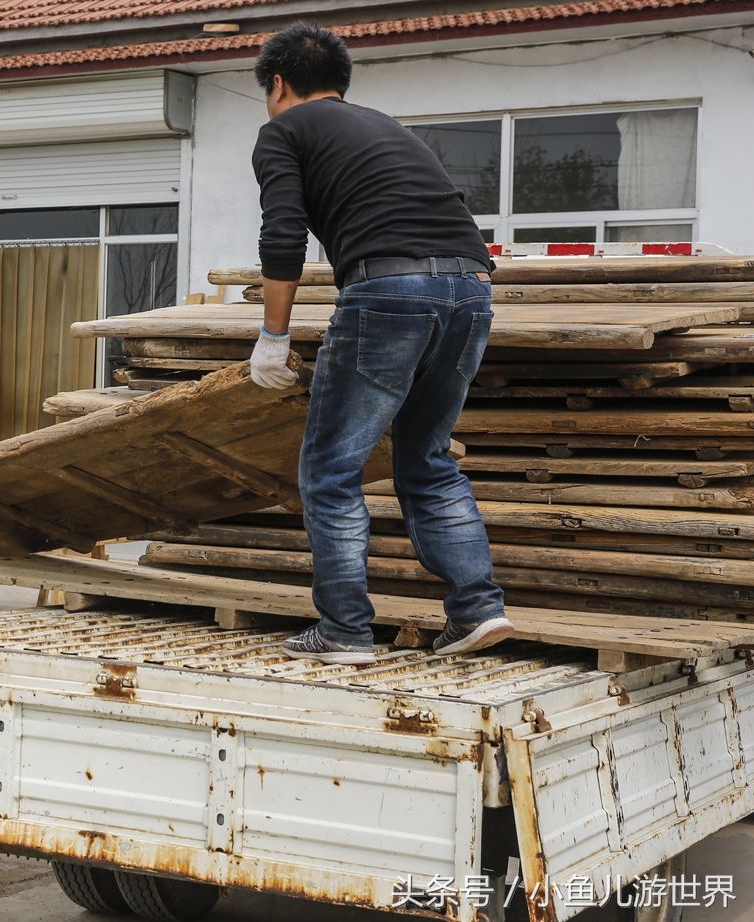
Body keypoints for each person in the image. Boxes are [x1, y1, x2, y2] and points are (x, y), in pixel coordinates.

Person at [245, 23, 515, 665]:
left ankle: (343, 631)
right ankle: (478, 609)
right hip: (470, 290)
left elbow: (282, 234)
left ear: (277, 83)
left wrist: (272, 337)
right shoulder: (389, 127)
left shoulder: (283, 130)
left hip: (388, 292)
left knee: (332, 469)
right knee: (427, 459)